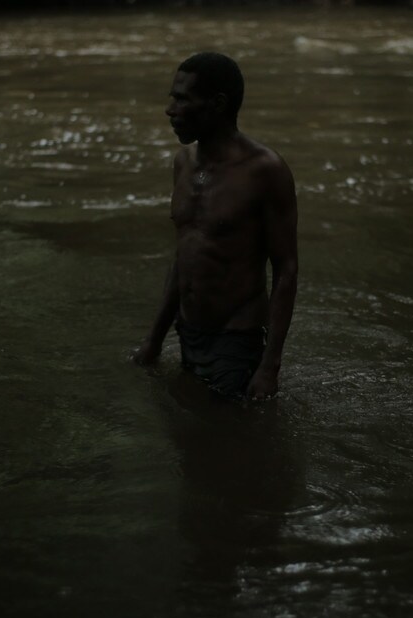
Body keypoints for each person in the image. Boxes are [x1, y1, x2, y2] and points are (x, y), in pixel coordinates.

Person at [132, 52, 298, 400]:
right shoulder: (183, 163)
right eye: (172, 98)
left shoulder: (265, 170)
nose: (170, 110)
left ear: (218, 104)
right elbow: (184, 255)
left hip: (236, 339)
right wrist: (154, 339)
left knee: (228, 430)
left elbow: (286, 269)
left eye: (182, 99)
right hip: (187, 331)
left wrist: (269, 367)